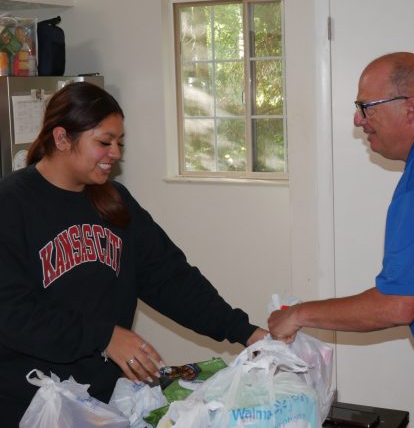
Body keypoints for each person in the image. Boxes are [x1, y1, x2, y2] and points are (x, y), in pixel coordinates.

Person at [0, 81, 266, 426]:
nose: (115, 153)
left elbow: (170, 278)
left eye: (119, 143)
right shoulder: (11, 205)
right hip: (28, 404)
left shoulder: (114, 202)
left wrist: (243, 330)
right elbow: (12, 313)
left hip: (102, 400)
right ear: (63, 138)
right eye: (104, 142)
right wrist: (104, 337)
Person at [268, 52, 414, 427]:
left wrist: (297, 314)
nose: (358, 120)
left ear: (409, 106)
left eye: (366, 107)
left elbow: (396, 305)